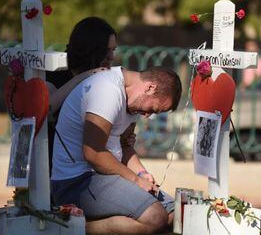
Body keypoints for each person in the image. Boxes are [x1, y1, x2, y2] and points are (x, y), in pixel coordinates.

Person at [51, 66, 182, 234]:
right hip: (77, 181)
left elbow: (125, 146)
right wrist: (135, 180)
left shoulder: (133, 101)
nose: (148, 115)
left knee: (174, 215)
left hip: (105, 176)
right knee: (155, 217)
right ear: (150, 88)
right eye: (152, 109)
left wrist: (142, 174)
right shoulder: (108, 90)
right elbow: (93, 153)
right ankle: (73, 229)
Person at [45, 17, 137, 174]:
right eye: (106, 50)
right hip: (56, 164)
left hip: (92, 168)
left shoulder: (106, 80)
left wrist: (124, 139)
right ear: (89, 49)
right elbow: (47, 108)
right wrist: (84, 76)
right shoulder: (56, 73)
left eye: (113, 50)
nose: (111, 57)